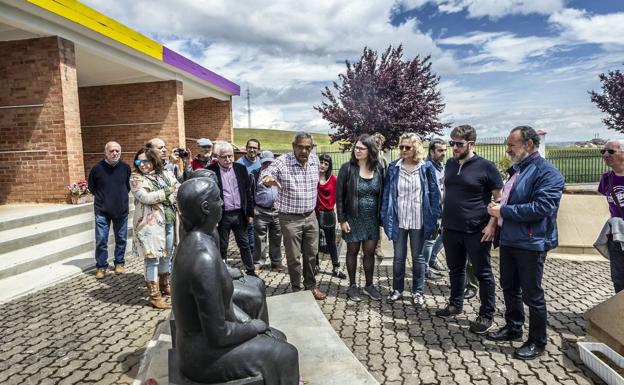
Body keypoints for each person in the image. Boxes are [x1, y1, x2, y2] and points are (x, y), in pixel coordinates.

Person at [172, 176, 299, 384]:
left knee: (277, 336)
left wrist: (250, 323)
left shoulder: (198, 240)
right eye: (218, 199)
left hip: (202, 343)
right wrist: (253, 327)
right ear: (205, 207)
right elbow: (218, 334)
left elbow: (224, 304)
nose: (222, 203)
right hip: (202, 356)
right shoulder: (202, 257)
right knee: (286, 354)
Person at [486, 126, 564, 360]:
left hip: (531, 243)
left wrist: (504, 212)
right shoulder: (518, 170)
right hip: (511, 240)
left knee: (532, 295)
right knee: (509, 288)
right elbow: (509, 199)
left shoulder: (548, 173)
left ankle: (537, 341)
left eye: (511, 145)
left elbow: (543, 207)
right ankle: (513, 327)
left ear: (528, 145)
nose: (507, 149)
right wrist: (497, 214)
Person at [435, 124, 503, 337]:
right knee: (455, 270)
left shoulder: (486, 167)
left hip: (476, 230)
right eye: (451, 143)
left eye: (458, 144)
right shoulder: (449, 164)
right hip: (451, 228)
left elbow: (499, 200)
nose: (454, 147)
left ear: (471, 144)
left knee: (483, 273)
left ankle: (486, 315)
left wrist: (492, 225)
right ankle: (455, 304)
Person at [261, 132, 327, 300]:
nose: (304, 151)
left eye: (307, 147)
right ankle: (297, 290)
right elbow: (267, 174)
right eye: (300, 147)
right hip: (290, 218)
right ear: (293, 146)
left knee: (312, 254)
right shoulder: (283, 161)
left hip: (311, 216)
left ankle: (311, 286)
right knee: (294, 257)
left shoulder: (314, 160)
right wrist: (269, 179)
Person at [381, 133, 441, 307]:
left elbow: (435, 194)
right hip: (399, 220)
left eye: (407, 147)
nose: (403, 150)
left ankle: (417, 292)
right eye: (401, 147)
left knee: (418, 258)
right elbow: (387, 195)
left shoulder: (426, 167)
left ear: (416, 148)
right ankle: (397, 290)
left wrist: (435, 218)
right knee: (398, 257)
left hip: (419, 220)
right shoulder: (394, 168)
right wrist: (385, 216)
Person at [336, 134, 385, 301]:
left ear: (370, 150)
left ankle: (369, 286)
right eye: (356, 147)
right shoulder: (347, 168)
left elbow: (383, 193)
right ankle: (352, 286)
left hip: (372, 219)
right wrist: (342, 219)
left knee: (369, 252)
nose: (357, 150)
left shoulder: (378, 168)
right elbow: (339, 196)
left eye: (361, 148)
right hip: (352, 218)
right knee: (352, 251)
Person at [130, 148, 180, 309]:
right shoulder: (136, 177)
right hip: (149, 225)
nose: (142, 165)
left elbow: (177, 188)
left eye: (146, 161)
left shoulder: (164, 173)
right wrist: (167, 191)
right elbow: (145, 197)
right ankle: (154, 296)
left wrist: (169, 191)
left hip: (169, 220)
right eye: (139, 162)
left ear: (154, 161)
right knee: (152, 259)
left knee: (167, 254)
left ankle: (165, 285)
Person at [208, 141, 255, 276]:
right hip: (222, 216)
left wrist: (250, 214)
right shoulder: (211, 171)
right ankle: (222, 272)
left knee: (244, 244)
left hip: (240, 214)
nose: (228, 159)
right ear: (217, 157)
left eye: (230, 156)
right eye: (224, 157)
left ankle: (250, 270)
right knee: (222, 246)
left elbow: (248, 192)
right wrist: (213, 217)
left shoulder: (240, 168)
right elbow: (209, 196)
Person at [88, 141, 131, 279]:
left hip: (121, 210)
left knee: (121, 239)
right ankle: (101, 266)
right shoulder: (97, 169)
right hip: (102, 210)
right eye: (111, 151)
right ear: (105, 152)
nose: (115, 153)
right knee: (101, 239)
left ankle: (119, 263)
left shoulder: (125, 168)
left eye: (117, 151)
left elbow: (127, 186)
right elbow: (92, 187)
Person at [596, 139, 624, 294]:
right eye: (603, 151)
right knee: (618, 277)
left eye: (611, 151)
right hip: (617, 235)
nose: (606, 154)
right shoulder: (606, 178)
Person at [252, 150, 284, 272]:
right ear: (261, 163)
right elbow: (250, 193)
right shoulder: (255, 174)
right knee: (260, 238)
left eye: (270, 163)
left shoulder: (279, 175)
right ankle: (258, 261)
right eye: (264, 163)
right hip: (260, 211)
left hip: (277, 211)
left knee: (276, 237)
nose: (267, 166)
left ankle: (276, 262)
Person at [316, 154, 346, 279]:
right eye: (321, 162)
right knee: (314, 242)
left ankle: (336, 267)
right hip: (314, 214)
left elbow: (339, 197)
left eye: (326, 164)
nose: (323, 165)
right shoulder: (312, 177)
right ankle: (315, 265)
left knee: (331, 242)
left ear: (329, 166)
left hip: (328, 214)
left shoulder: (334, 180)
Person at [421, 138, 446, 281]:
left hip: (444, 210)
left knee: (444, 236)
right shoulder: (427, 167)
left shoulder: (442, 167)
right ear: (431, 151)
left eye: (444, 150)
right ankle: (425, 270)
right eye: (440, 150)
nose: (443, 153)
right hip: (432, 211)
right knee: (429, 241)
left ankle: (432, 259)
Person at [237, 139, 262, 257]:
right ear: (246, 148)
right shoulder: (240, 163)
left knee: (259, 228)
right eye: (250, 147)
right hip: (246, 201)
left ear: (258, 150)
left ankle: (257, 252)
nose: (252, 150)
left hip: (260, 201)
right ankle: (250, 254)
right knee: (249, 227)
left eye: (255, 148)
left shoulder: (261, 162)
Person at [373, 132, 388, 260]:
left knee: (378, 224)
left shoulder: (383, 161)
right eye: (375, 142)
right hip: (366, 197)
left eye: (379, 143)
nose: (377, 145)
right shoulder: (364, 158)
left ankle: (377, 248)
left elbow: (386, 180)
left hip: (379, 197)